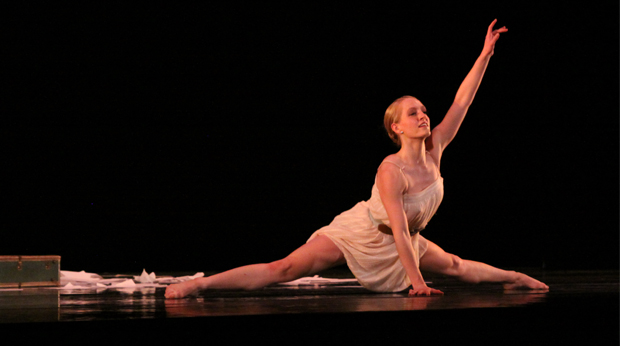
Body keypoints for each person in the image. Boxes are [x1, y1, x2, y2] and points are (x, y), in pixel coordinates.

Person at [165, 19, 548, 299]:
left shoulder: (437, 148)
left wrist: (484, 56)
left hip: (404, 240)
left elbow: (462, 101)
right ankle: (201, 283)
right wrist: (417, 282)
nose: (423, 116)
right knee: (283, 269)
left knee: (455, 265)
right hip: (364, 234)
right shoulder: (390, 170)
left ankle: (512, 276)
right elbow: (398, 230)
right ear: (396, 128)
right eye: (413, 113)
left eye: (423, 110)